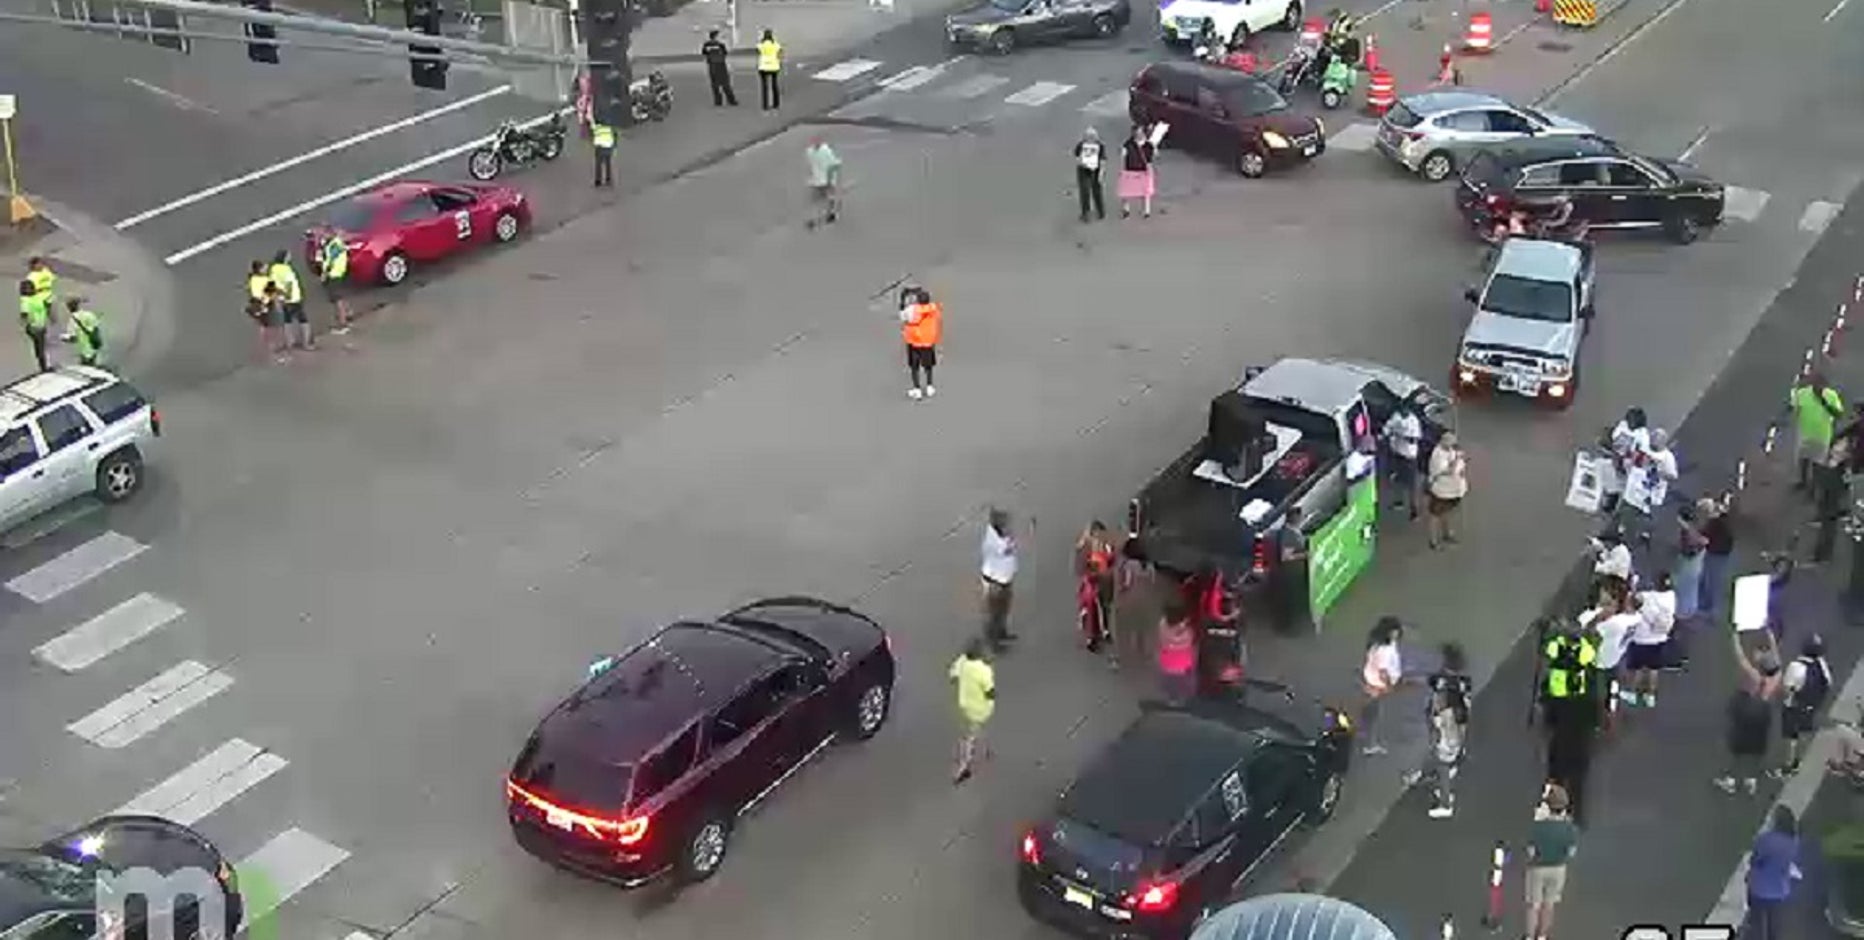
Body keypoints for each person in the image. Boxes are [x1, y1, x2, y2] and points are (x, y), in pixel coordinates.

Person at [1405, 642, 1470, 819]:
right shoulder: (1463, 682)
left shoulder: (1443, 686)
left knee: (1443, 765)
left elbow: (1440, 708)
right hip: (1455, 730)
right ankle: (1435, 779)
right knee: (1444, 761)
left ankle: (1446, 802)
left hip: (1447, 732)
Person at [1719, 629, 1781, 795]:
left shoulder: (1755, 676)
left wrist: (1735, 638)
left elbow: (1740, 657)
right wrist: (1771, 637)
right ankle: (1751, 780)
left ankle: (1731, 780)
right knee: (1757, 749)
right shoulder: (1776, 677)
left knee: (1738, 748)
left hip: (1748, 713)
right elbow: (1776, 657)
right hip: (1763, 716)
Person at [1524, 784, 1579, 940]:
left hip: (1538, 869)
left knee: (1534, 905)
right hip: (1558, 869)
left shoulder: (1538, 826)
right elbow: (1571, 852)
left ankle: (1529, 936)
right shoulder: (1569, 828)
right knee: (1549, 905)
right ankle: (1542, 936)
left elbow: (1531, 851)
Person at [1744, 805, 1802, 940]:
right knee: (1775, 924)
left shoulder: (1765, 839)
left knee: (1757, 920)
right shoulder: (1794, 841)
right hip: (1780, 890)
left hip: (1759, 888)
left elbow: (1755, 860)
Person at [1780, 634, 1832, 775]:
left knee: (1791, 736)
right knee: (1804, 733)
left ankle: (1788, 765)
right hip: (1811, 707)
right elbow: (1827, 682)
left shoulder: (1796, 667)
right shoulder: (1821, 664)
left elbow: (1787, 687)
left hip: (1793, 706)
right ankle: (1798, 760)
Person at [1789, 370, 1846, 493]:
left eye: (1820, 384)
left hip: (1822, 435)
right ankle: (1803, 482)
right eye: (1815, 383)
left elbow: (1839, 414)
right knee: (1803, 459)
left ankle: (1815, 487)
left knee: (1818, 464)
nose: (1817, 386)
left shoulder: (1831, 395)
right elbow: (1794, 408)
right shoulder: (1802, 393)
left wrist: (1824, 403)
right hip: (1805, 433)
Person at [1624, 572, 1675, 707]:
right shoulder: (1671, 597)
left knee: (1637, 669)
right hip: (1659, 640)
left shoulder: (1647, 597)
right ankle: (1650, 696)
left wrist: (1633, 584)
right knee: (1653, 669)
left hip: (1641, 639)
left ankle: (1632, 694)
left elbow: (1632, 600)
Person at [948, 637, 995, 784]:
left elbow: (952, 676)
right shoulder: (984, 671)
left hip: (964, 705)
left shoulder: (962, 662)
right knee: (969, 737)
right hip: (980, 709)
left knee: (973, 731)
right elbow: (989, 692)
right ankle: (963, 768)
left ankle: (984, 749)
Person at [1359, 617, 1404, 755]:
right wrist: (1389, 685)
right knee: (1375, 714)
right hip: (1378, 684)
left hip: (1370, 679)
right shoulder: (1385, 649)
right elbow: (1383, 671)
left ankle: (1367, 737)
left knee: (1371, 711)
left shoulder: (1376, 642)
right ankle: (1370, 744)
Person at [980, 508, 1019, 651]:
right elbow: (1006, 549)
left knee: (1004, 609)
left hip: (1005, 579)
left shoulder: (1002, 535)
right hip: (995, 582)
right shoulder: (992, 541)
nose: (1007, 525)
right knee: (994, 612)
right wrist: (1011, 540)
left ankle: (1001, 632)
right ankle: (993, 641)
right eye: (1004, 523)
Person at [1076, 521, 1117, 653]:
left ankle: (1104, 630)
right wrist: (1093, 575)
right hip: (1092, 583)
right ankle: (1091, 638)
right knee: (1091, 609)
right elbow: (1082, 566)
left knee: (1104, 607)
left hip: (1104, 582)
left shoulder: (1107, 546)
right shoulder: (1085, 547)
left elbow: (1112, 560)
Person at [1425, 431, 1467, 549]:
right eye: (1450, 441)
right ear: (1443, 441)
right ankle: (1433, 541)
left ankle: (1447, 533)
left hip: (1454, 490)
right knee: (1435, 515)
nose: (1452, 444)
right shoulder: (1437, 454)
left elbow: (1460, 467)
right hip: (1441, 490)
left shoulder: (1452, 451)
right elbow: (1447, 471)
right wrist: (1457, 459)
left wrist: (1462, 465)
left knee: (1448, 512)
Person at [1382, 401, 1423, 518]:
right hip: (1396, 453)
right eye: (1400, 410)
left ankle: (1414, 510)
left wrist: (1398, 434)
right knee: (1396, 480)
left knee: (1412, 485)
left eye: (1404, 410)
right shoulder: (1396, 416)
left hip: (1409, 457)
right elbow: (1387, 428)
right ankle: (1399, 502)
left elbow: (1414, 440)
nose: (1402, 412)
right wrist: (1387, 432)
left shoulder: (1413, 421)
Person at [899, 286, 940, 399]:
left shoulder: (912, 310)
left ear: (917, 300)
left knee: (914, 366)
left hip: (914, 342)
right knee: (928, 365)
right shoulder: (933, 308)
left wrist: (903, 297)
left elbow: (903, 316)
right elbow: (924, 299)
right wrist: (917, 291)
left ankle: (917, 389)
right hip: (928, 342)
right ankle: (929, 387)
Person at [1273, 507, 1310, 631]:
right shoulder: (1288, 535)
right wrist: (1305, 555)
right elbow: (1285, 557)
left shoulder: (1293, 530)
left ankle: (1291, 624)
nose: (1301, 519)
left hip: (1295, 572)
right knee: (1291, 602)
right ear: (1293, 518)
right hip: (1290, 573)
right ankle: (1288, 627)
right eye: (1299, 517)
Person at [1156, 596, 1198, 703]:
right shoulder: (1187, 632)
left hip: (1166, 663)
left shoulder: (1162, 625)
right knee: (1186, 685)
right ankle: (1184, 700)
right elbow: (1190, 641)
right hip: (1183, 665)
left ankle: (1172, 699)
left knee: (1170, 685)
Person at [1701, 493, 1735, 618]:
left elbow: (1704, 538)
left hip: (1716, 553)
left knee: (1713, 581)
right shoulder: (1726, 520)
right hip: (1723, 552)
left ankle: (1713, 610)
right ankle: (1711, 606)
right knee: (1714, 579)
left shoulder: (1715, 523)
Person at [269, 250, 311, 350]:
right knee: (303, 321)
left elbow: (271, 285)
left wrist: (276, 300)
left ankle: (290, 342)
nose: (290, 257)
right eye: (288, 256)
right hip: (293, 299)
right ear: (284, 258)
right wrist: (288, 295)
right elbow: (289, 284)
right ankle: (307, 343)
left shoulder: (274, 269)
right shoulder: (286, 269)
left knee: (287, 321)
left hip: (282, 300)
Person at [314, 232, 353, 334]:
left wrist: (324, 274)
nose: (322, 236)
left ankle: (342, 325)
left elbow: (329, 262)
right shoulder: (336, 242)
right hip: (338, 273)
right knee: (339, 297)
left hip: (333, 274)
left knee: (337, 300)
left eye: (324, 234)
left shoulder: (334, 245)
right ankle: (347, 315)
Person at [1118, 123, 1156, 220]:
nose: (1138, 134)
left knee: (1145, 192)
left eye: (1140, 132)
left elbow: (1150, 159)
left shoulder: (1149, 145)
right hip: (1130, 169)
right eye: (1136, 132)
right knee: (1125, 192)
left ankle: (1146, 211)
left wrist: (1150, 168)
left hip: (1143, 170)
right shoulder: (1128, 144)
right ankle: (1126, 210)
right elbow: (1123, 155)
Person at [805, 137, 842, 229]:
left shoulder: (811, 151)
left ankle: (816, 219)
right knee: (826, 198)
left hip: (818, 180)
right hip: (822, 180)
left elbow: (811, 166)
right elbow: (833, 165)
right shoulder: (821, 151)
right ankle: (829, 215)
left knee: (819, 200)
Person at [1073, 127, 1106, 223]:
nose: (1090, 138)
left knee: (1097, 191)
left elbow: (1103, 160)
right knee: (1085, 192)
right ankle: (1085, 213)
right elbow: (1077, 156)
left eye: (1092, 136)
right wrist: (1081, 162)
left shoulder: (1100, 145)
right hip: (1083, 170)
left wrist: (1101, 173)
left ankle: (1101, 212)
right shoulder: (1081, 145)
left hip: (1096, 170)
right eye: (1088, 136)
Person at [16, 279, 50, 372]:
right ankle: (43, 367)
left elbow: (25, 314)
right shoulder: (30, 299)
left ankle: (43, 366)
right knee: (40, 347)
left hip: (38, 326)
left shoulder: (31, 299)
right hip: (37, 327)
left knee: (40, 347)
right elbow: (25, 313)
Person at [25, 257, 60, 341]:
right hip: (38, 301)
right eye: (38, 264)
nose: (40, 265)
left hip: (49, 299)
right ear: (33, 265)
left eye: (41, 263)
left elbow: (53, 278)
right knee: (40, 320)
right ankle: (38, 333)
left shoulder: (46, 271)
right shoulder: (31, 277)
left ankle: (54, 334)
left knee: (53, 317)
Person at [701, 30, 738, 106]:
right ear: (716, 36)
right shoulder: (720, 44)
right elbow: (725, 53)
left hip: (712, 65)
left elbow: (704, 53)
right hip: (721, 65)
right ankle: (731, 100)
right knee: (725, 83)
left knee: (715, 84)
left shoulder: (706, 45)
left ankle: (718, 101)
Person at [63, 298, 102, 367]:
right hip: (93, 346)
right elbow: (96, 328)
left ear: (69, 308)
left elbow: (73, 338)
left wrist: (64, 339)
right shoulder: (89, 314)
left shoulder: (72, 320)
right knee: (92, 365)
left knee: (86, 368)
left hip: (84, 350)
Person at [756, 29, 782, 110]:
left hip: (763, 66)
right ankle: (776, 104)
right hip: (774, 66)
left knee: (764, 87)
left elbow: (758, 51)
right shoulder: (775, 44)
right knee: (774, 85)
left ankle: (765, 105)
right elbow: (779, 52)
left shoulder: (761, 45)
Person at [591, 119, 615, 188]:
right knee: (608, 163)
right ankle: (608, 179)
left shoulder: (596, 126)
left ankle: (598, 180)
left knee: (598, 164)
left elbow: (592, 130)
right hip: (608, 145)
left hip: (600, 146)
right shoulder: (609, 126)